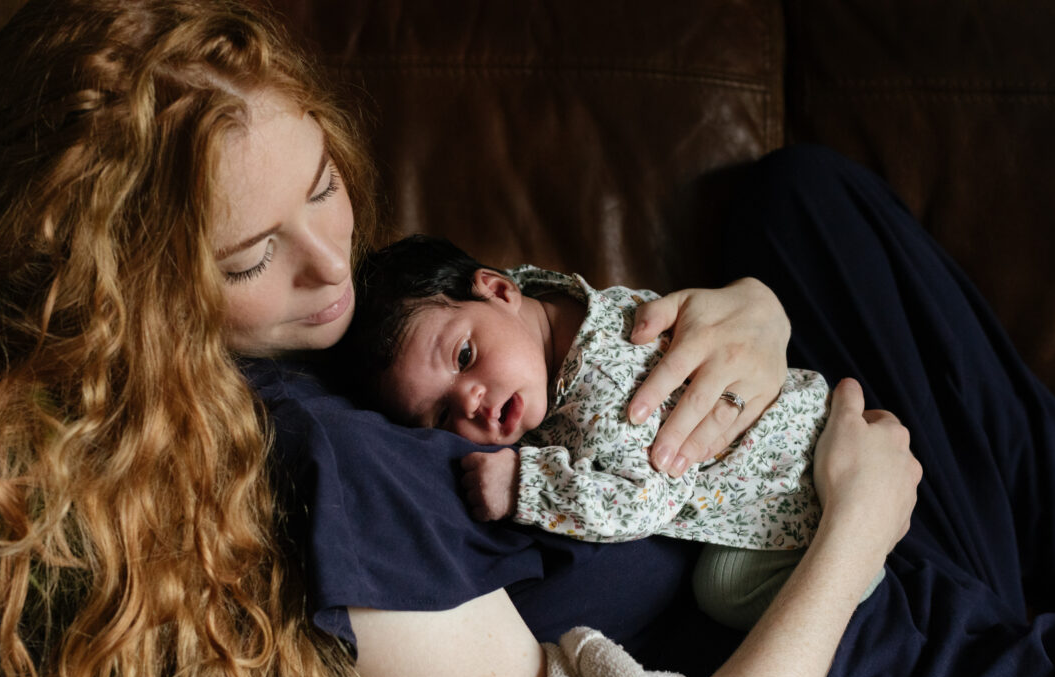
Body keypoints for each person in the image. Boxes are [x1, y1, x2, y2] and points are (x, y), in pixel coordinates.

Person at [0, 3, 1055, 677]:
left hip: (791, 522)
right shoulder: (325, 466)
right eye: (255, 256)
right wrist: (852, 530)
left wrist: (752, 328)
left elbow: (522, 328)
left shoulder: (337, 342)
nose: (329, 269)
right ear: (135, 288)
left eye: (325, 185)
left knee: (797, 202)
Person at [337, 233, 882, 629]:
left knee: (722, 591)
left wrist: (525, 486)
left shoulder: (605, 391)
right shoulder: (558, 311)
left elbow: (646, 499)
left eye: (464, 355)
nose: (471, 403)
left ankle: (865, 577)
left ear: (500, 291)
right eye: (438, 417)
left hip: (800, 490)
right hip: (812, 429)